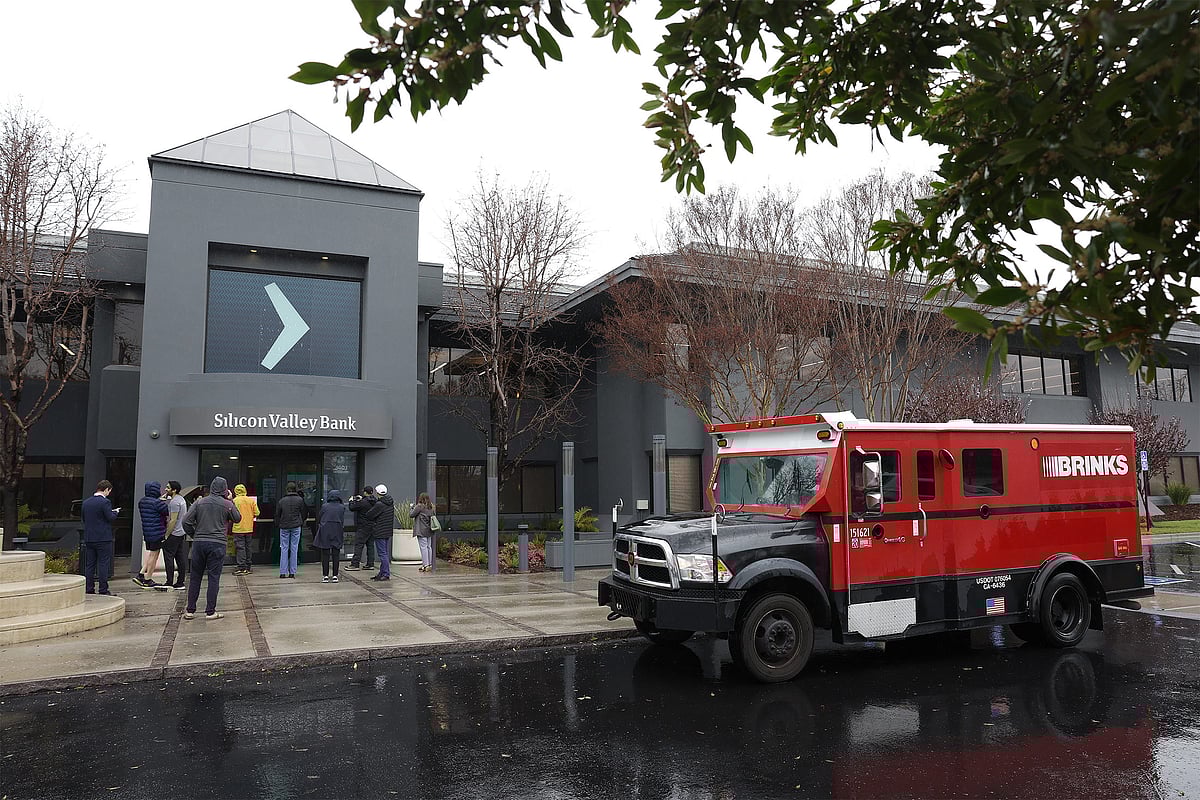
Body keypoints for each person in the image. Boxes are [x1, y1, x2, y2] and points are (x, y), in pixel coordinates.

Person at [181, 476, 240, 620]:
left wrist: (195, 535)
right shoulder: (227, 504)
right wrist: (231, 500)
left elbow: (186, 521)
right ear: (225, 489)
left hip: (199, 543)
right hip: (218, 543)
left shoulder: (199, 502)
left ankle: (190, 610)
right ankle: (210, 611)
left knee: (195, 577)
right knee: (214, 578)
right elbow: (237, 518)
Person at [81, 480, 119, 595]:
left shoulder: (86, 503)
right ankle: (103, 589)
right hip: (103, 537)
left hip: (89, 537)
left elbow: (83, 518)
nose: (109, 493)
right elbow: (110, 517)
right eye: (109, 491)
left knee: (90, 564)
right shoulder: (105, 502)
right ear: (106, 489)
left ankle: (89, 588)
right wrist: (115, 513)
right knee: (103, 564)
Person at [134, 480, 169, 589]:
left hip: (148, 532)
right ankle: (148, 579)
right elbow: (167, 511)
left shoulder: (142, 502)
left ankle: (141, 574)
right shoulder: (158, 503)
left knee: (151, 554)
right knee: (154, 555)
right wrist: (163, 501)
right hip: (157, 532)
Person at [275, 482, 307, 579]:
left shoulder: (282, 501)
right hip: (296, 526)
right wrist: (301, 521)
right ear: (295, 489)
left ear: (287, 490)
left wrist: (278, 524)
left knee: (284, 548)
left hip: (284, 526)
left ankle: (282, 572)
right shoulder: (300, 500)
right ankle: (292, 572)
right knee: (294, 548)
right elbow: (304, 512)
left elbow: (277, 514)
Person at [314, 490, 346, 583]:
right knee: (336, 555)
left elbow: (320, 517)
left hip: (325, 532)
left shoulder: (324, 506)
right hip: (337, 531)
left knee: (325, 554)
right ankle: (335, 575)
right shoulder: (341, 507)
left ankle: (325, 576)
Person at [162, 481, 189, 590]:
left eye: (168, 488)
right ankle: (180, 582)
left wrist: (167, 534)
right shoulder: (181, 499)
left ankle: (169, 581)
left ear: (174, 490)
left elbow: (173, 520)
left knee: (168, 557)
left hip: (174, 533)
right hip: (181, 532)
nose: (165, 489)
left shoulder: (174, 503)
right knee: (180, 557)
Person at [365, 483, 394, 581]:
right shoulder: (390, 502)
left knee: (382, 554)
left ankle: (385, 573)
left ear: (378, 493)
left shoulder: (380, 504)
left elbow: (369, 515)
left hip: (380, 531)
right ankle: (382, 572)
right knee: (384, 553)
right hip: (387, 531)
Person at [231, 484, 259, 576]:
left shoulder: (234, 501)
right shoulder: (251, 501)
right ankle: (248, 566)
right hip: (249, 528)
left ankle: (241, 567)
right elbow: (257, 512)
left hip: (238, 528)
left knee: (240, 548)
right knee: (248, 547)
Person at [346, 486, 376, 571]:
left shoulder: (363, 502)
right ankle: (370, 564)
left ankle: (355, 564)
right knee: (370, 545)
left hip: (363, 526)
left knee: (359, 545)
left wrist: (351, 501)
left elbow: (352, 508)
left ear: (365, 492)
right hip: (372, 526)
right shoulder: (375, 501)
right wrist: (362, 498)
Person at [412, 492, 435, 572]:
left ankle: (425, 565)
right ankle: (429, 564)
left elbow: (411, 515)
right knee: (429, 547)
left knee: (423, 548)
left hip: (421, 530)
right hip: (429, 529)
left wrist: (411, 508)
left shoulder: (419, 506)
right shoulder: (431, 507)